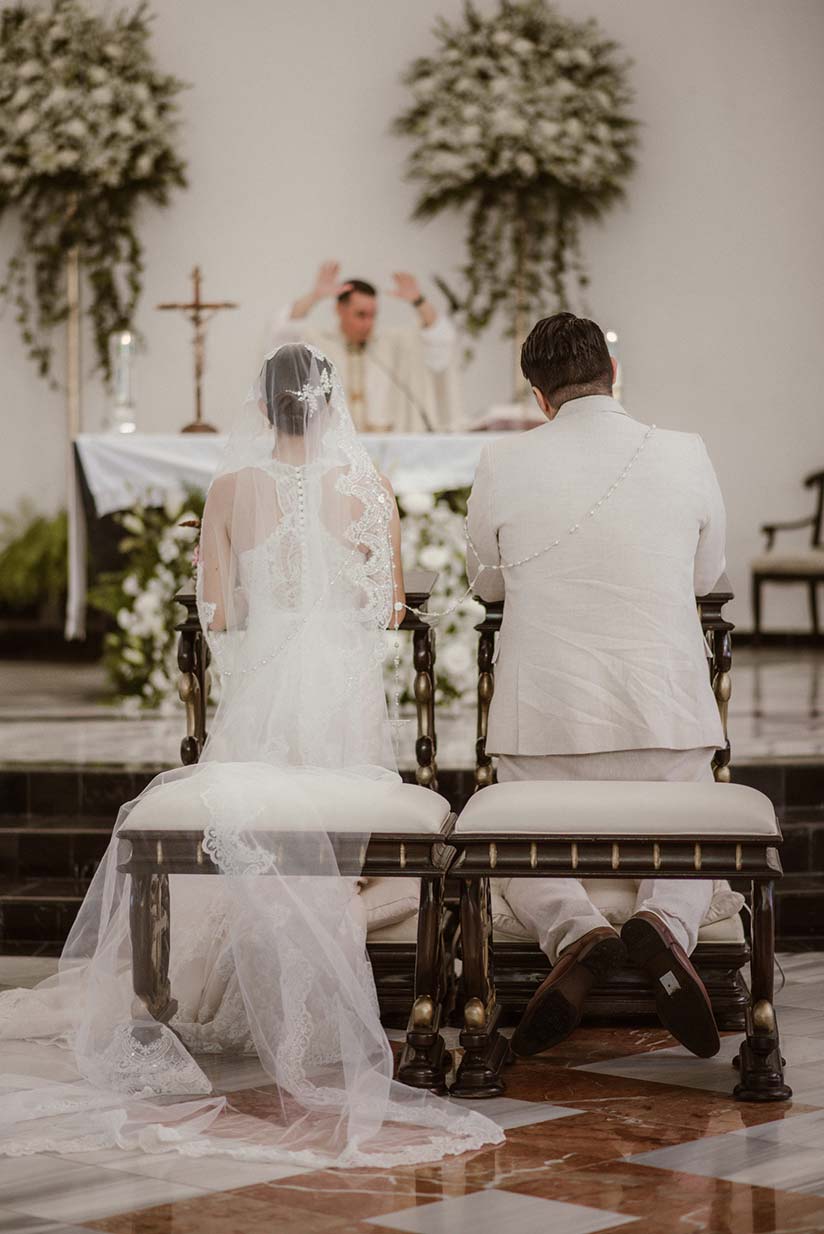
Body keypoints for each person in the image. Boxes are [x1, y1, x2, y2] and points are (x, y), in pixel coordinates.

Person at [0, 344, 501, 1168]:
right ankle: (344, 928)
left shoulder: (232, 489)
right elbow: (385, 612)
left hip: (265, 710)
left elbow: (220, 614)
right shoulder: (370, 489)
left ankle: (229, 973)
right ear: (332, 405)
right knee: (341, 821)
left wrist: (239, 573)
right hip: (344, 710)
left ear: (264, 408)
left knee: (250, 814)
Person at [466, 313, 732, 1061]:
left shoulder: (503, 459)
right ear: (613, 378)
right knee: (695, 826)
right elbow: (706, 576)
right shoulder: (686, 452)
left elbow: (483, 578)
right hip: (666, 715)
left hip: (545, 721)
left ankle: (574, 930)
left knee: (510, 834)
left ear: (540, 397)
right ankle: (666, 926)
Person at [271, 261, 461, 432]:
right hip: (334, 448)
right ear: (339, 310)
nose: (368, 323)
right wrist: (314, 296)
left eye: (372, 315)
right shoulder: (318, 343)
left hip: (386, 444)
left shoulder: (392, 344)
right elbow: (282, 337)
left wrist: (419, 301)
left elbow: (439, 340)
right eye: (361, 315)